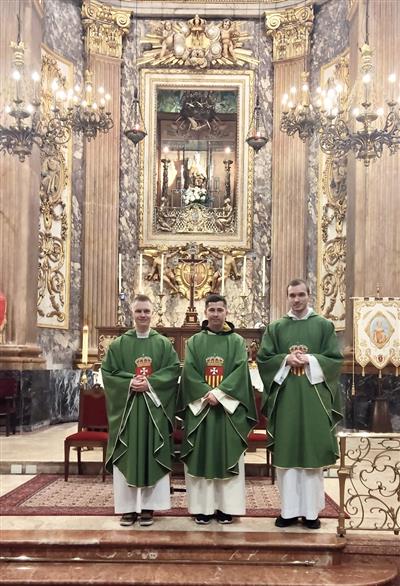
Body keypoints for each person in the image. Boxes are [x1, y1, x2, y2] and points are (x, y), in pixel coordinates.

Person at [257, 279, 343, 529]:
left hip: (314, 399)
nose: (296, 299)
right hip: (286, 399)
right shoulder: (276, 328)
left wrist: (309, 360)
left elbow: (334, 360)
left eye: (301, 295)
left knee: (311, 455)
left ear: (309, 295)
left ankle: (311, 513)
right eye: (292, 295)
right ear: (288, 297)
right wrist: (285, 359)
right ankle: (289, 511)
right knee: (287, 456)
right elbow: (264, 359)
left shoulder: (324, 326)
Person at [101, 295, 180, 527]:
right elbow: (108, 373)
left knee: (150, 455)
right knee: (128, 454)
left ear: (152, 313)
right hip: (128, 413)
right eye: (139, 311)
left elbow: (173, 370)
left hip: (153, 413)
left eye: (146, 311)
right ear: (131, 313)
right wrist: (128, 383)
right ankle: (128, 509)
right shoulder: (118, 345)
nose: (143, 315)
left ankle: (148, 508)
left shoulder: (163, 344)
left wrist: (150, 383)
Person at [178, 294, 256, 525]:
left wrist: (218, 394)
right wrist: (207, 394)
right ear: (205, 313)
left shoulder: (237, 342)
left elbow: (241, 372)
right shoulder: (194, 342)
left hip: (226, 413)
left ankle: (226, 508)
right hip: (202, 410)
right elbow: (189, 372)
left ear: (226, 312)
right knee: (201, 457)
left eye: (219, 310)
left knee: (226, 454)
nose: (215, 314)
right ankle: (202, 508)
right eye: (211, 310)